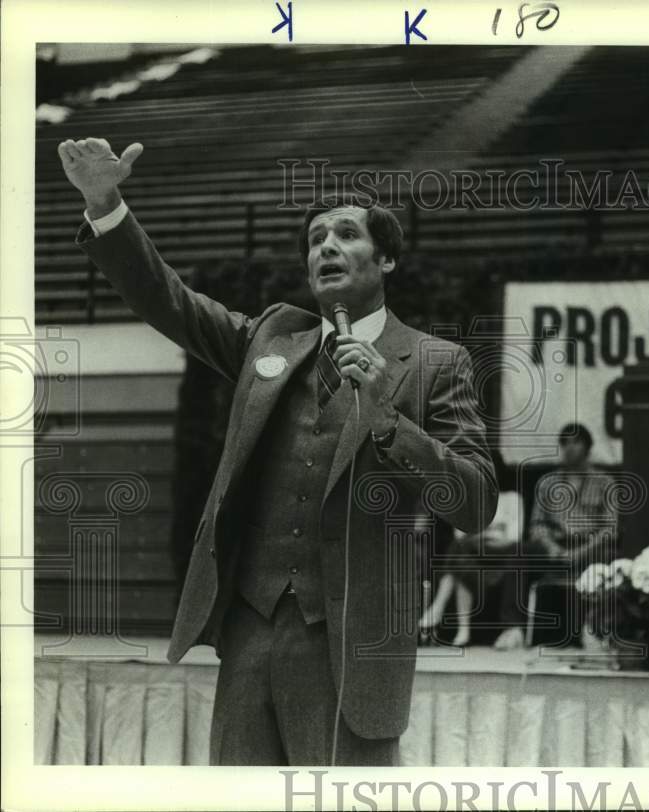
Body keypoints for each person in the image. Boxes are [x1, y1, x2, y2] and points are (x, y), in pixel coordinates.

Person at [58, 138, 498, 765]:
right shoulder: (271, 338)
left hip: (352, 646)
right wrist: (106, 205)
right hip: (249, 630)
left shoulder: (435, 362)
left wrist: (386, 416)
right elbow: (170, 301)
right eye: (316, 239)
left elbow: (476, 503)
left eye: (346, 234)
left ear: (387, 259)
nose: (326, 247)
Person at [493, 423, 618, 650]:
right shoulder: (547, 482)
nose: (569, 448)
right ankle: (513, 629)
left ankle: (595, 629)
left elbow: (610, 528)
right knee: (520, 553)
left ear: (588, 447)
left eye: (576, 442)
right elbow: (537, 525)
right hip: (554, 546)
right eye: (565, 443)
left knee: (611, 561)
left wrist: (581, 552)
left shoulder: (605, 482)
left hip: (590, 546)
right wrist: (553, 548)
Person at [419, 490, 523, 647]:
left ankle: (438, 608)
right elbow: (459, 533)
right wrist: (491, 533)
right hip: (474, 560)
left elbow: (513, 538)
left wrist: (480, 535)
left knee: (458, 548)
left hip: (501, 559)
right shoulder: (471, 499)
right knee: (461, 563)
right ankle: (463, 631)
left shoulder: (512, 498)